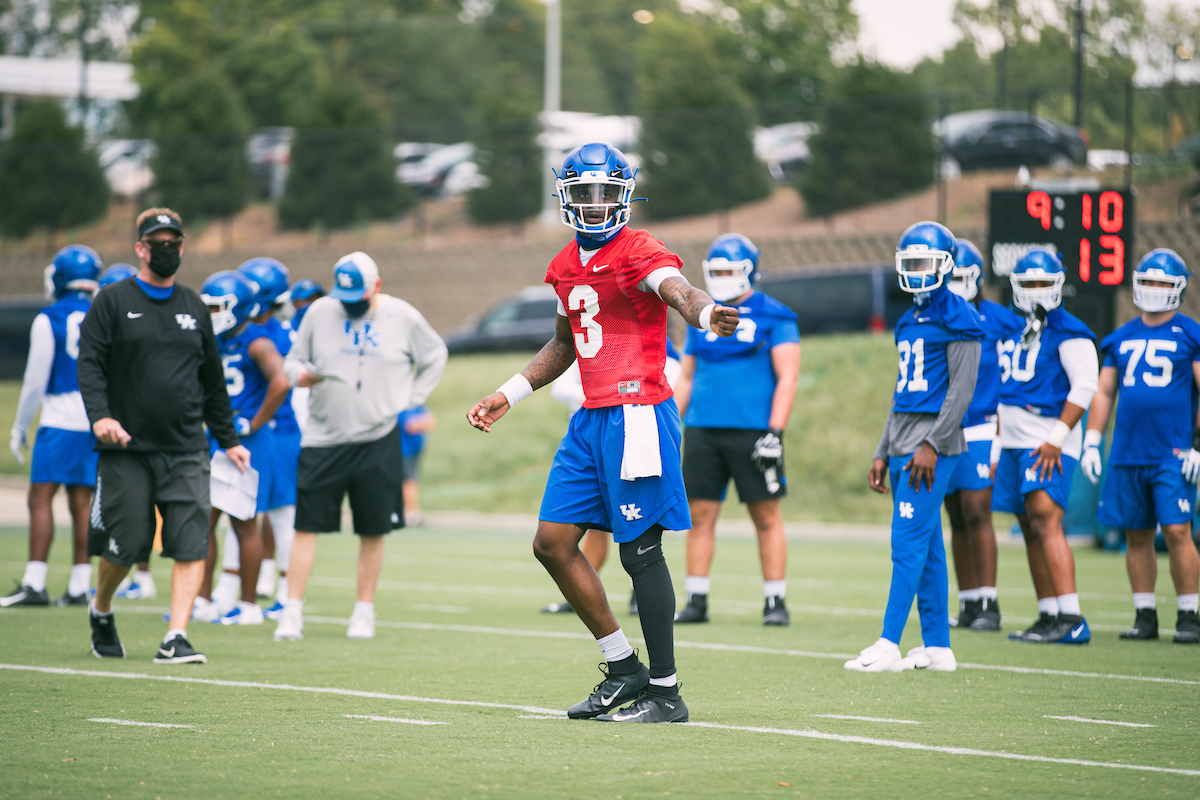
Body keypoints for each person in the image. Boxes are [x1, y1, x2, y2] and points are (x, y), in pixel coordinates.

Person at [467, 142, 739, 723]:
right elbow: (565, 343)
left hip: (638, 412)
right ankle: (623, 668)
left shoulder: (640, 248)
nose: (593, 205)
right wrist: (509, 392)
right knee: (552, 542)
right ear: (566, 199)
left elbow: (678, 289)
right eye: (583, 193)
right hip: (591, 416)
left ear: (625, 196)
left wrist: (704, 312)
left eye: (605, 193)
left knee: (640, 551)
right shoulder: (566, 263)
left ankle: (666, 693)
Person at [77, 208, 251, 664]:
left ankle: (176, 636)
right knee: (128, 542)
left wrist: (229, 439)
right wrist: (100, 416)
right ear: (140, 248)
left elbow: (212, 380)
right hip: (127, 448)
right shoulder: (112, 301)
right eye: (158, 242)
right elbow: (90, 365)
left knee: (192, 542)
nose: (168, 249)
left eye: (175, 241)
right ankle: (102, 608)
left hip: (186, 447)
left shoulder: (194, 305)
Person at [273, 251, 447, 642]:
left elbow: (435, 355)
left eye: (358, 299)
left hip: (378, 436)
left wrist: (412, 398)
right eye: (344, 298)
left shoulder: (402, 316)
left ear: (377, 287)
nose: (349, 306)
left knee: (373, 528)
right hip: (323, 436)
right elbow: (292, 360)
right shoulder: (319, 312)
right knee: (306, 526)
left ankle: (364, 612)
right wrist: (297, 374)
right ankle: (291, 612)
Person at [848, 222, 982, 673]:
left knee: (906, 543)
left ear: (945, 265)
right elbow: (902, 392)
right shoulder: (908, 319)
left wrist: (932, 444)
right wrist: (882, 449)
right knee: (928, 547)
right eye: (911, 263)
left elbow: (960, 393)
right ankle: (938, 646)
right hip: (904, 441)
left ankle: (888, 642)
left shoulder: (960, 316)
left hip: (932, 447)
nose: (918, 271)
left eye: (925, 261)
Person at [672, 233, 801, 627]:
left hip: (753, 432)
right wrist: (670, 424)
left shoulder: (775, 315)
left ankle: (774, 600)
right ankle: (696, 598)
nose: (723, 277)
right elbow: (688, 377)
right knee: (699, 514)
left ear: (750, 271)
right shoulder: (703, 314)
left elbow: (788, 377)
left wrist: (775, 431)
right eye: (716, 271)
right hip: (703, 430)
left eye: (730, 270)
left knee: (765, 515)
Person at [1080, 249, 1200, 644]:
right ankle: (1145, 613)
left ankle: (1188, 614)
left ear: (1178, 288)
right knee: (1136, 534)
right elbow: (1103, 392)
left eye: (1162, 283)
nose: (1153, 289)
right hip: (1128, 451)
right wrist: (1093, 441)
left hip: (1172, 452)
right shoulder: (1122, 336)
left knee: (1179, 531)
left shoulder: (1190, 332)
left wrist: (1198, 443)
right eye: (1147, 281)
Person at [992, 248, 1098, 645]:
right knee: (1027, 523)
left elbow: (1085, 386)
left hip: (1047, 439)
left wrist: (1055, 439)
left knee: (1044, 518)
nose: (1036, 291)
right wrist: (997, 446)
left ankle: (1071, 616)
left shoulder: (1069, 331)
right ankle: (1049, 612)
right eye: (1028, 284)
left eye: (1043, 283)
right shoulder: (1014, 328)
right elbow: (1007, 392)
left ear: (1058, 285)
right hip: (1014, 441)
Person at [541, 340, 682, 617]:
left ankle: (638, 594)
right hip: (588, 434)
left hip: (634, 433)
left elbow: (672, 376)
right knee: (586, 526)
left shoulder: (647, 334)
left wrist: (609, 396)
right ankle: (582, 592)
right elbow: (560, 386)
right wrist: (599, 396)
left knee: (640, 526)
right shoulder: (590, 337)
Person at [3, 245, 102, 608]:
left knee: (40, 498)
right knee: (82, 502)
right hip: (94, 421)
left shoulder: (50, 318)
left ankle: (35, 582)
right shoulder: (102, 313)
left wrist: (21, 426)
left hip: (60, 420)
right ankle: (79, 585)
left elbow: (34, 379)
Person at [192, 270, 289, 626]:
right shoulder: (215, 341)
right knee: (203, 520)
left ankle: (248, 606)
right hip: (219, 436)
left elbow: (281, 381)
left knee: (243, 522)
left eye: (217, 307)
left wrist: (254, 421)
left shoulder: (256, 342)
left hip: (247, 442)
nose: (211, 314)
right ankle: (201, 599)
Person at [942, 239, 1023, 631]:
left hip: (982, 424)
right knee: (955, 515)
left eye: (961, 277)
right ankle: (969, 600)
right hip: (943, 426)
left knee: (977, 511)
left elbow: (1017, 376)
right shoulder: (933, 316)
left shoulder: (1001, 320)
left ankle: (989, 601)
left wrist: (1003, 428)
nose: (955, 285)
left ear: (978, 278)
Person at [95, 264, 160, 602]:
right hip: (128, 431)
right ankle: (135, 577)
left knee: (127, 512)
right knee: (133, 512)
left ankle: (132, 580)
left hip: (132, 435)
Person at [398, 405, 436, 526]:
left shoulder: (417, 405)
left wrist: (421, 422)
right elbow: (410, 426)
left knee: (411, 480)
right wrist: (422, 422)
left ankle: (410, 513)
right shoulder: (400, 406)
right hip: (403, 451)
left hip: (414, 450)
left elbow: (432, 421)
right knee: (408, 482)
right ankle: (410, 514)